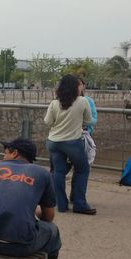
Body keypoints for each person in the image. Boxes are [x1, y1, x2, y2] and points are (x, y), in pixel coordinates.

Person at [44, 74, 93, 214]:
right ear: (74, 87)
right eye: (79, 85)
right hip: (72, 142)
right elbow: (89, 120)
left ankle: (61, 205)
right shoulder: (83, 101)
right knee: (82, 169)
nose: (80, 87)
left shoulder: (54, 103)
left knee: (58, 171)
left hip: (53, 142)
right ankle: (79, 204)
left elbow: (48, 122)